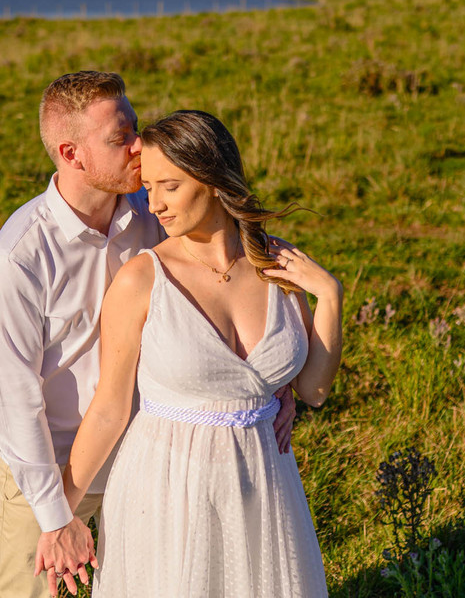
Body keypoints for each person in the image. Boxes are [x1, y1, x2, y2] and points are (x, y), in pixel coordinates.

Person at [0, 75, 296, 598]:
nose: (138, 145)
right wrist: (55, 516)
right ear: (71, 153)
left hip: (153, 460)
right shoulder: (20, 257)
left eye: (135, 126)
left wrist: (273, 384)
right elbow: (15, 402)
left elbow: (225, 291)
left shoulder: (156, 212)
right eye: (119, 137)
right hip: (52, 472)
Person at [47, 109, 344, 596]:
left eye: (170, 186)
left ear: (213, 180)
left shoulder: (278, 266)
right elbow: (108, 409)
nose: (154, 204)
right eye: (148, 187)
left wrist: (329, 295)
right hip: (168, 488)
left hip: (265, 484)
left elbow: (313, 390)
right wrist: (58, 515)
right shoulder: (142, 280)